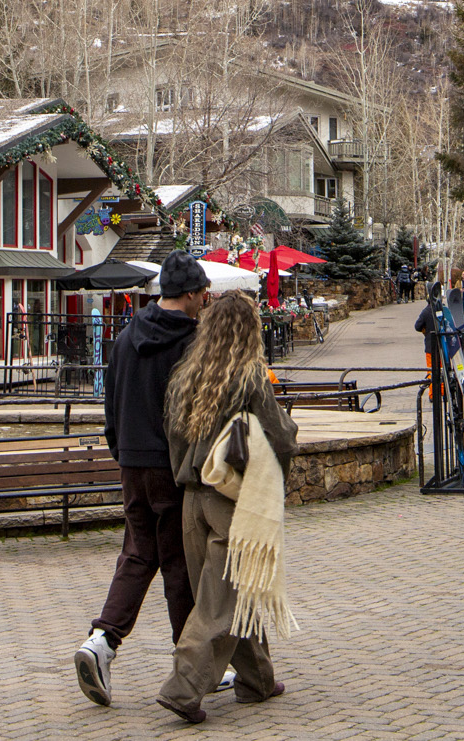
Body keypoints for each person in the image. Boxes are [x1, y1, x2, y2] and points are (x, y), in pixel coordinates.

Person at [76, 251, 211, 709]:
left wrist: (122, 450)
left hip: (132, 463)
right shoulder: (193, 341)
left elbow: (111, 401)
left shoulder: (127, 335)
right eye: (202, 293)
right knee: (179, 564)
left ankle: (101, 641)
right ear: (190, 294)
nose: (204, 300)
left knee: (138, 553)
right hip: (170, 465)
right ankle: (192, 665)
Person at [157, 292, 299, 724]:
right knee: (218, 604)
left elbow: (173, 437)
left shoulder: (187, 374)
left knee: (232, 590)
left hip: (192, 498)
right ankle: (183, 689)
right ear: (249, 330)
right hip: (231, 501)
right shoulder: (249, 376)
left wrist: (187, 473)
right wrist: (276, 473)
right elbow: (280, 436)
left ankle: (257, 679)